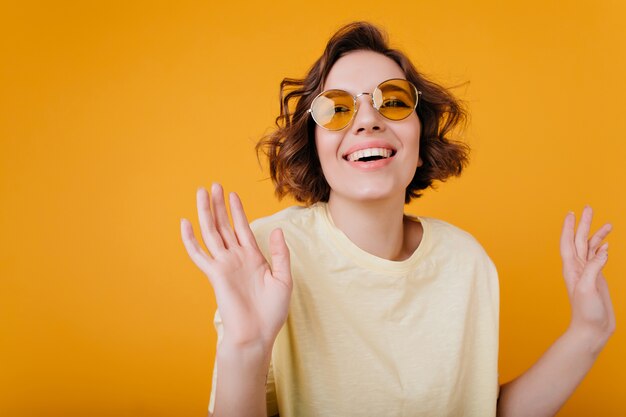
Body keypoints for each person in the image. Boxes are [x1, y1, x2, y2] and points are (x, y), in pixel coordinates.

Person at [180, 22, 615, 417]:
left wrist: (588, 332)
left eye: (392, 101)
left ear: (420, 133)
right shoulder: (269, 257)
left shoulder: (466, 261)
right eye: (336, 108)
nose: (367, 120)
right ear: (313, 143)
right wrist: (245, 347)